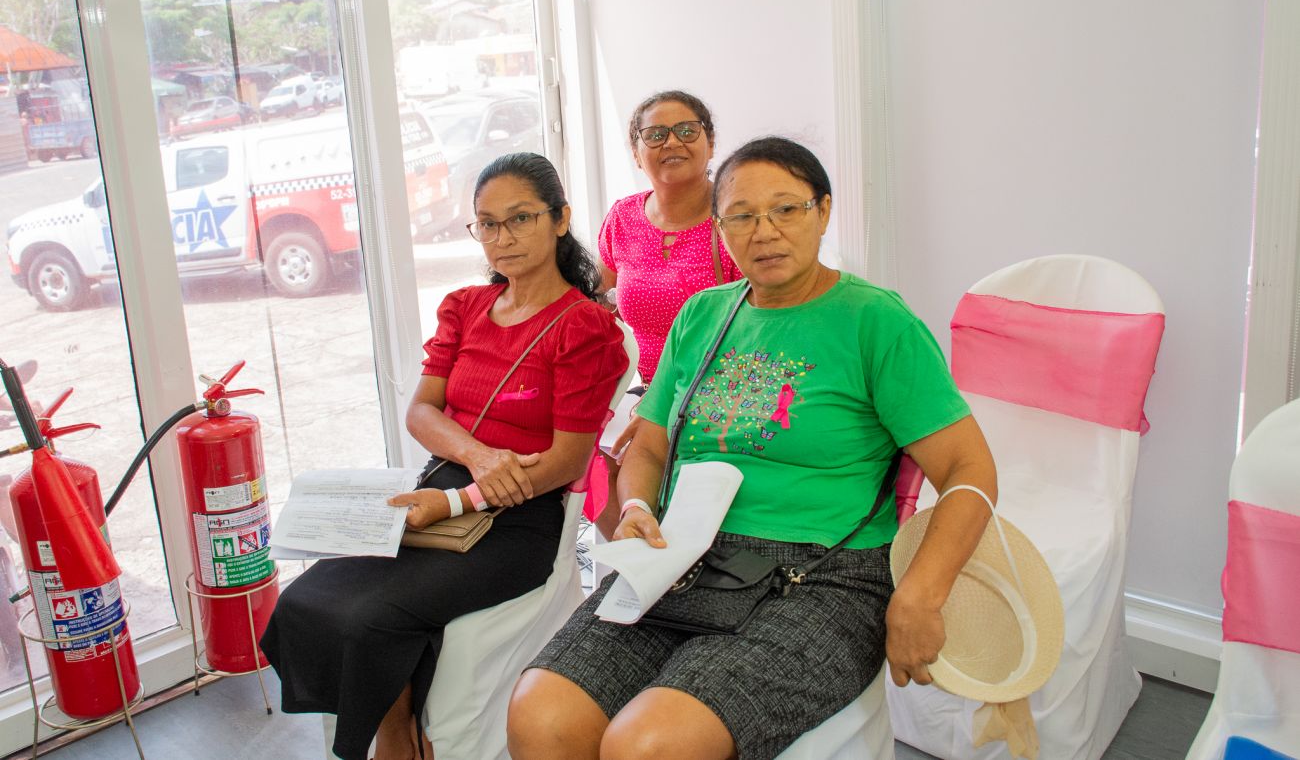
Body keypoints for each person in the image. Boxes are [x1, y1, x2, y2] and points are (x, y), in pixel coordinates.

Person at [507, 137, 999, 760]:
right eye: (741, 215)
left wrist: (921, 594)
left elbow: (969, 470)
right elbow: (649, 447)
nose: (764, 231)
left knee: (649, 745)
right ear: (719, 228)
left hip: (825, 575)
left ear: (823, 211)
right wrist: (635, 508)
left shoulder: (876, 322)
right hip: (683, 555)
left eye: (786, 209)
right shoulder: (702, 315)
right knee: (540, 716)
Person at [260, 153, 629, 760]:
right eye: (487, 224)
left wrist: (460, 497)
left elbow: (566, 462)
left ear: (560, 219)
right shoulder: (465, 307)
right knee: (307, 599)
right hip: (437, 491)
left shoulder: (584, 327)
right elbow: (421, 412)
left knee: (372, 616)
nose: (502, 238)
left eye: (521, 218)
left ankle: (395, 741)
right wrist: (477, 459)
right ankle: (397, 727)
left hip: (521, 516)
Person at [590, 90, 742, 535]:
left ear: (710, 144)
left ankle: (675, 558)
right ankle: (638, 559)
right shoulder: (623, 218)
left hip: (718, 391)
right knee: (584, 455)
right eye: (655, 135)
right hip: (644, 389)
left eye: (686, 131)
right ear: (636, 153)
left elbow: (756, 325)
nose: (671, 142)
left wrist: (662, 409)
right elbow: (595, 300)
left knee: (644, 456)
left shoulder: (734, 220)